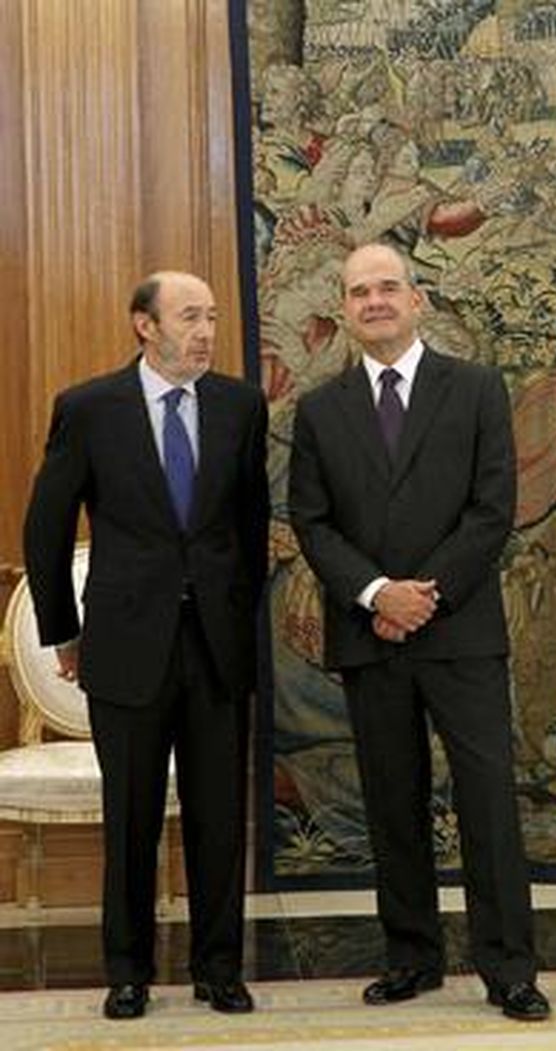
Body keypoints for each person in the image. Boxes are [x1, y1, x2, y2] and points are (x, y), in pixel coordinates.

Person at [288, 243, 549, 1022]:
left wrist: (423, 594)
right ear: (345, 309)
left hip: (459, 628)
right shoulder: (319, 410)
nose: (375, 301)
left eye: (387, 288)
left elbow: (492, 507)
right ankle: (412, 956)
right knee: (391, 799)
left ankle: (509, 968)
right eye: (359, 291)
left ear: (418, 298)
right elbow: (312, 520)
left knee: (488, 802)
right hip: (372, 633)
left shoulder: (474, 390)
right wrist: (377, 593)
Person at [22, 272, 268, 1019]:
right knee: (129, 813)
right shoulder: (89, 408)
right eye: (189, 316)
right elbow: (47, 527)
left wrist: (239, 614)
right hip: (128, 644)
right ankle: (127, 969)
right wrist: (63, 629)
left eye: (213, 317)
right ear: (144, 325)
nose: (205, 331)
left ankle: (218, 967)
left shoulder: (240, 405)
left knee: (218, 815)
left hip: (217, 645)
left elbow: (252, 527)